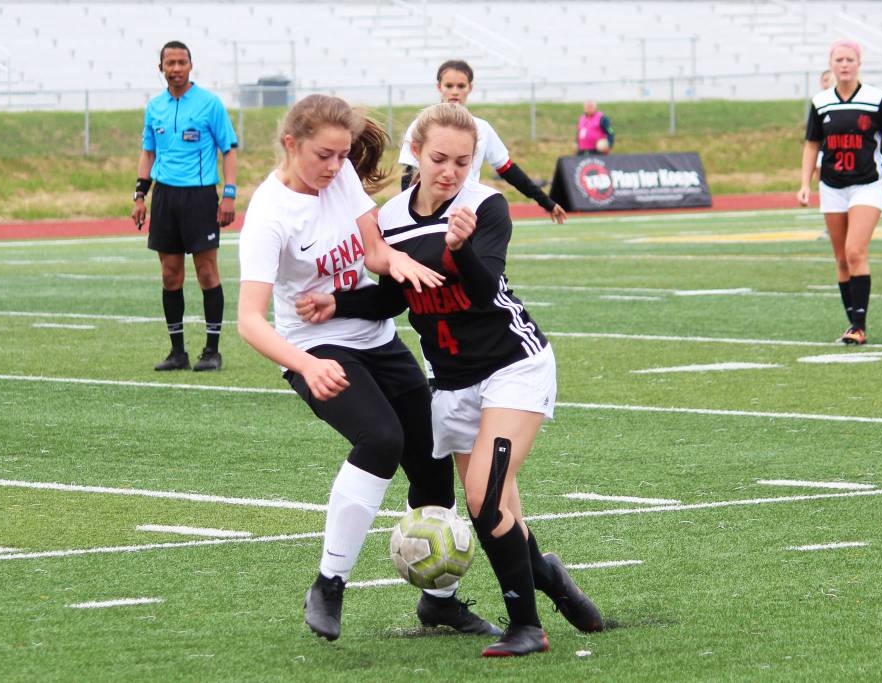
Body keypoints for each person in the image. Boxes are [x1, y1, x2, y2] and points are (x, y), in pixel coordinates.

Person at [298, 103, 604, 657]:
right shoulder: (388, 218)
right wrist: (337, 301)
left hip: (514, 366)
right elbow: (395, 297)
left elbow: (487, 291)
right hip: (452, 381)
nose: (450, 172)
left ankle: (527, 628)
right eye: (439, 158)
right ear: (415, 153)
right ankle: (550, 577)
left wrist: (461, 251)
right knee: (496, 508)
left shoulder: (485, 206)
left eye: (463, 162)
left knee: (485, 501)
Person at [237, 94, 500, 643]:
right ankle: (329, 583)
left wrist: (397, 262)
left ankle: (440, 603)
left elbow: (374, 250)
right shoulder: (268, 213)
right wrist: (305, 365)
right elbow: (250, 321)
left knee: (430, 460)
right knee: (380, 439)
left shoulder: (340, 179)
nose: (336, 168)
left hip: (377, 342)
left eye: (342, 156)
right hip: (314, 346)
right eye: (324, 156)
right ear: (291, 144)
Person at [131, 40, 238, 372]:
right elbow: (148, 152)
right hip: (165, 196)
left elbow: (229, 149)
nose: (175, 68)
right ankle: (177, 352)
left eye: (181, 62)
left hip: (200, 196)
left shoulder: (210, 104)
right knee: (169, 274)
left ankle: (212, 350)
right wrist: (140, 195)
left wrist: (229, 193)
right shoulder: (155, 107)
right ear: (160, 68)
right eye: (169, 63)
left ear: (191, 66)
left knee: (206, 272)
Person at [797, 40, 882, 345]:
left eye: (849, 59)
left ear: (858, 63)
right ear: (831, 64)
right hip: (832, 186)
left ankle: (858, 327)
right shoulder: (821, 102)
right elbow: (811, 145)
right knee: (841, 258)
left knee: (855, 251)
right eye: (839, 60)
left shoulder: (876, 99)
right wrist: (805, 183)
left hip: (868, 184)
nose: (844, 65)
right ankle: (853, 323)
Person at [398, 59, 568, 225]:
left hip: (466, 215)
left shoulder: (482, 128)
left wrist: (547, 203)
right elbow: (409, 174)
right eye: (449, 86)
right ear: (439, 87)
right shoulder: (421, 125)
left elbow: (509, 171)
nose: (455, 91)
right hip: (429, 214)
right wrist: (409, 215)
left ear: (470, 88)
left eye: (461, 86)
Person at [810, 70, 836, 186]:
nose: (827, 83)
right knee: (821, 176)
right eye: (824, 80)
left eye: (829, 80)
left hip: (838, 149)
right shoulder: (819, 103)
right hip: (823, 149)